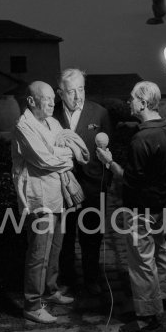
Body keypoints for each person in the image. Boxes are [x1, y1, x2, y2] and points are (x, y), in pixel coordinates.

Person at [96, 81, 166, 332]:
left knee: (141, 260)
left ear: (142, 102)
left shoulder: (141, 139)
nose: (129, 101)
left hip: (141, 207)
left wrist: (109, 163)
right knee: (160, 249)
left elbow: (129, 180)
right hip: (160, 203)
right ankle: (165, 296)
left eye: (132, 98)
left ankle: (147, 315)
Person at [11, 81, 84, 324]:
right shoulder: (24, 127)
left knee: (56, 247)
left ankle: (50, 291)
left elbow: (68, 150)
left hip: (58, 194)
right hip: (40, 198)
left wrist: (60, 153)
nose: (54, 102)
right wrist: (62, 155)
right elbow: (45, 160)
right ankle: (32, 304)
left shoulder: (52, 122)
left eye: (54, 98)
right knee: (38, 253)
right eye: (47, 98)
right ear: (32, 101)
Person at [53, 68, 113, 295]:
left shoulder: (100, 114)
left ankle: (91, 279)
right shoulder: (52, 116)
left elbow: (111, 151)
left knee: (92, 236)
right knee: (65, 237)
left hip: (92, 186)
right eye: (71, 92)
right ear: (60, 93)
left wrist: (105, 182)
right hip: (63, 187)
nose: (78, 96)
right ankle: (68, 278)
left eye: (81, 89)